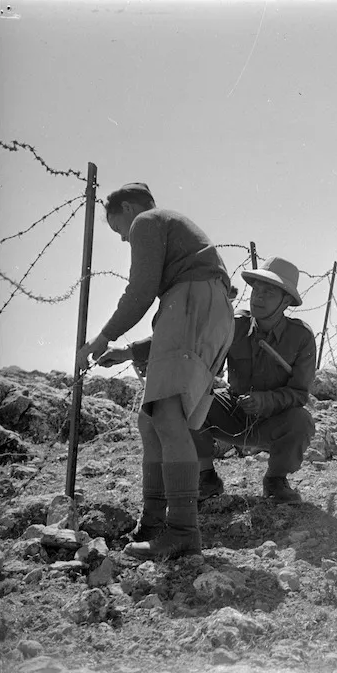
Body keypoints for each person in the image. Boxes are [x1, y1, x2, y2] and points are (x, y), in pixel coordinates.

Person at [76, 182, 234, 560]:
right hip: (208, 311)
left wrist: (101, 337)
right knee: (152, 422)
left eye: (119, 231)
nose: (124, 240)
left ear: (128, 209)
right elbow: (182, 312)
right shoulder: (181, 240)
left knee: (166, 415)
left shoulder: (146, 221)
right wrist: (128, 350)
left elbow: (142, 290)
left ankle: (182, 530)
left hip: (192, 306)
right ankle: (152, 522)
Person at [190, 256, 317, 504]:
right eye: (256, 290)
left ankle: (275, 480)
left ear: (286, 301)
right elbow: (204, 361)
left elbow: (299, 394)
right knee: (190, 401)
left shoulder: (300, 337)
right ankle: (206, 477)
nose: (258, 297)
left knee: (301, 421)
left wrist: (265, 401)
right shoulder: (234, 324)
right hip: (233, 412)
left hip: (273, 420)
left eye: (269, 292)